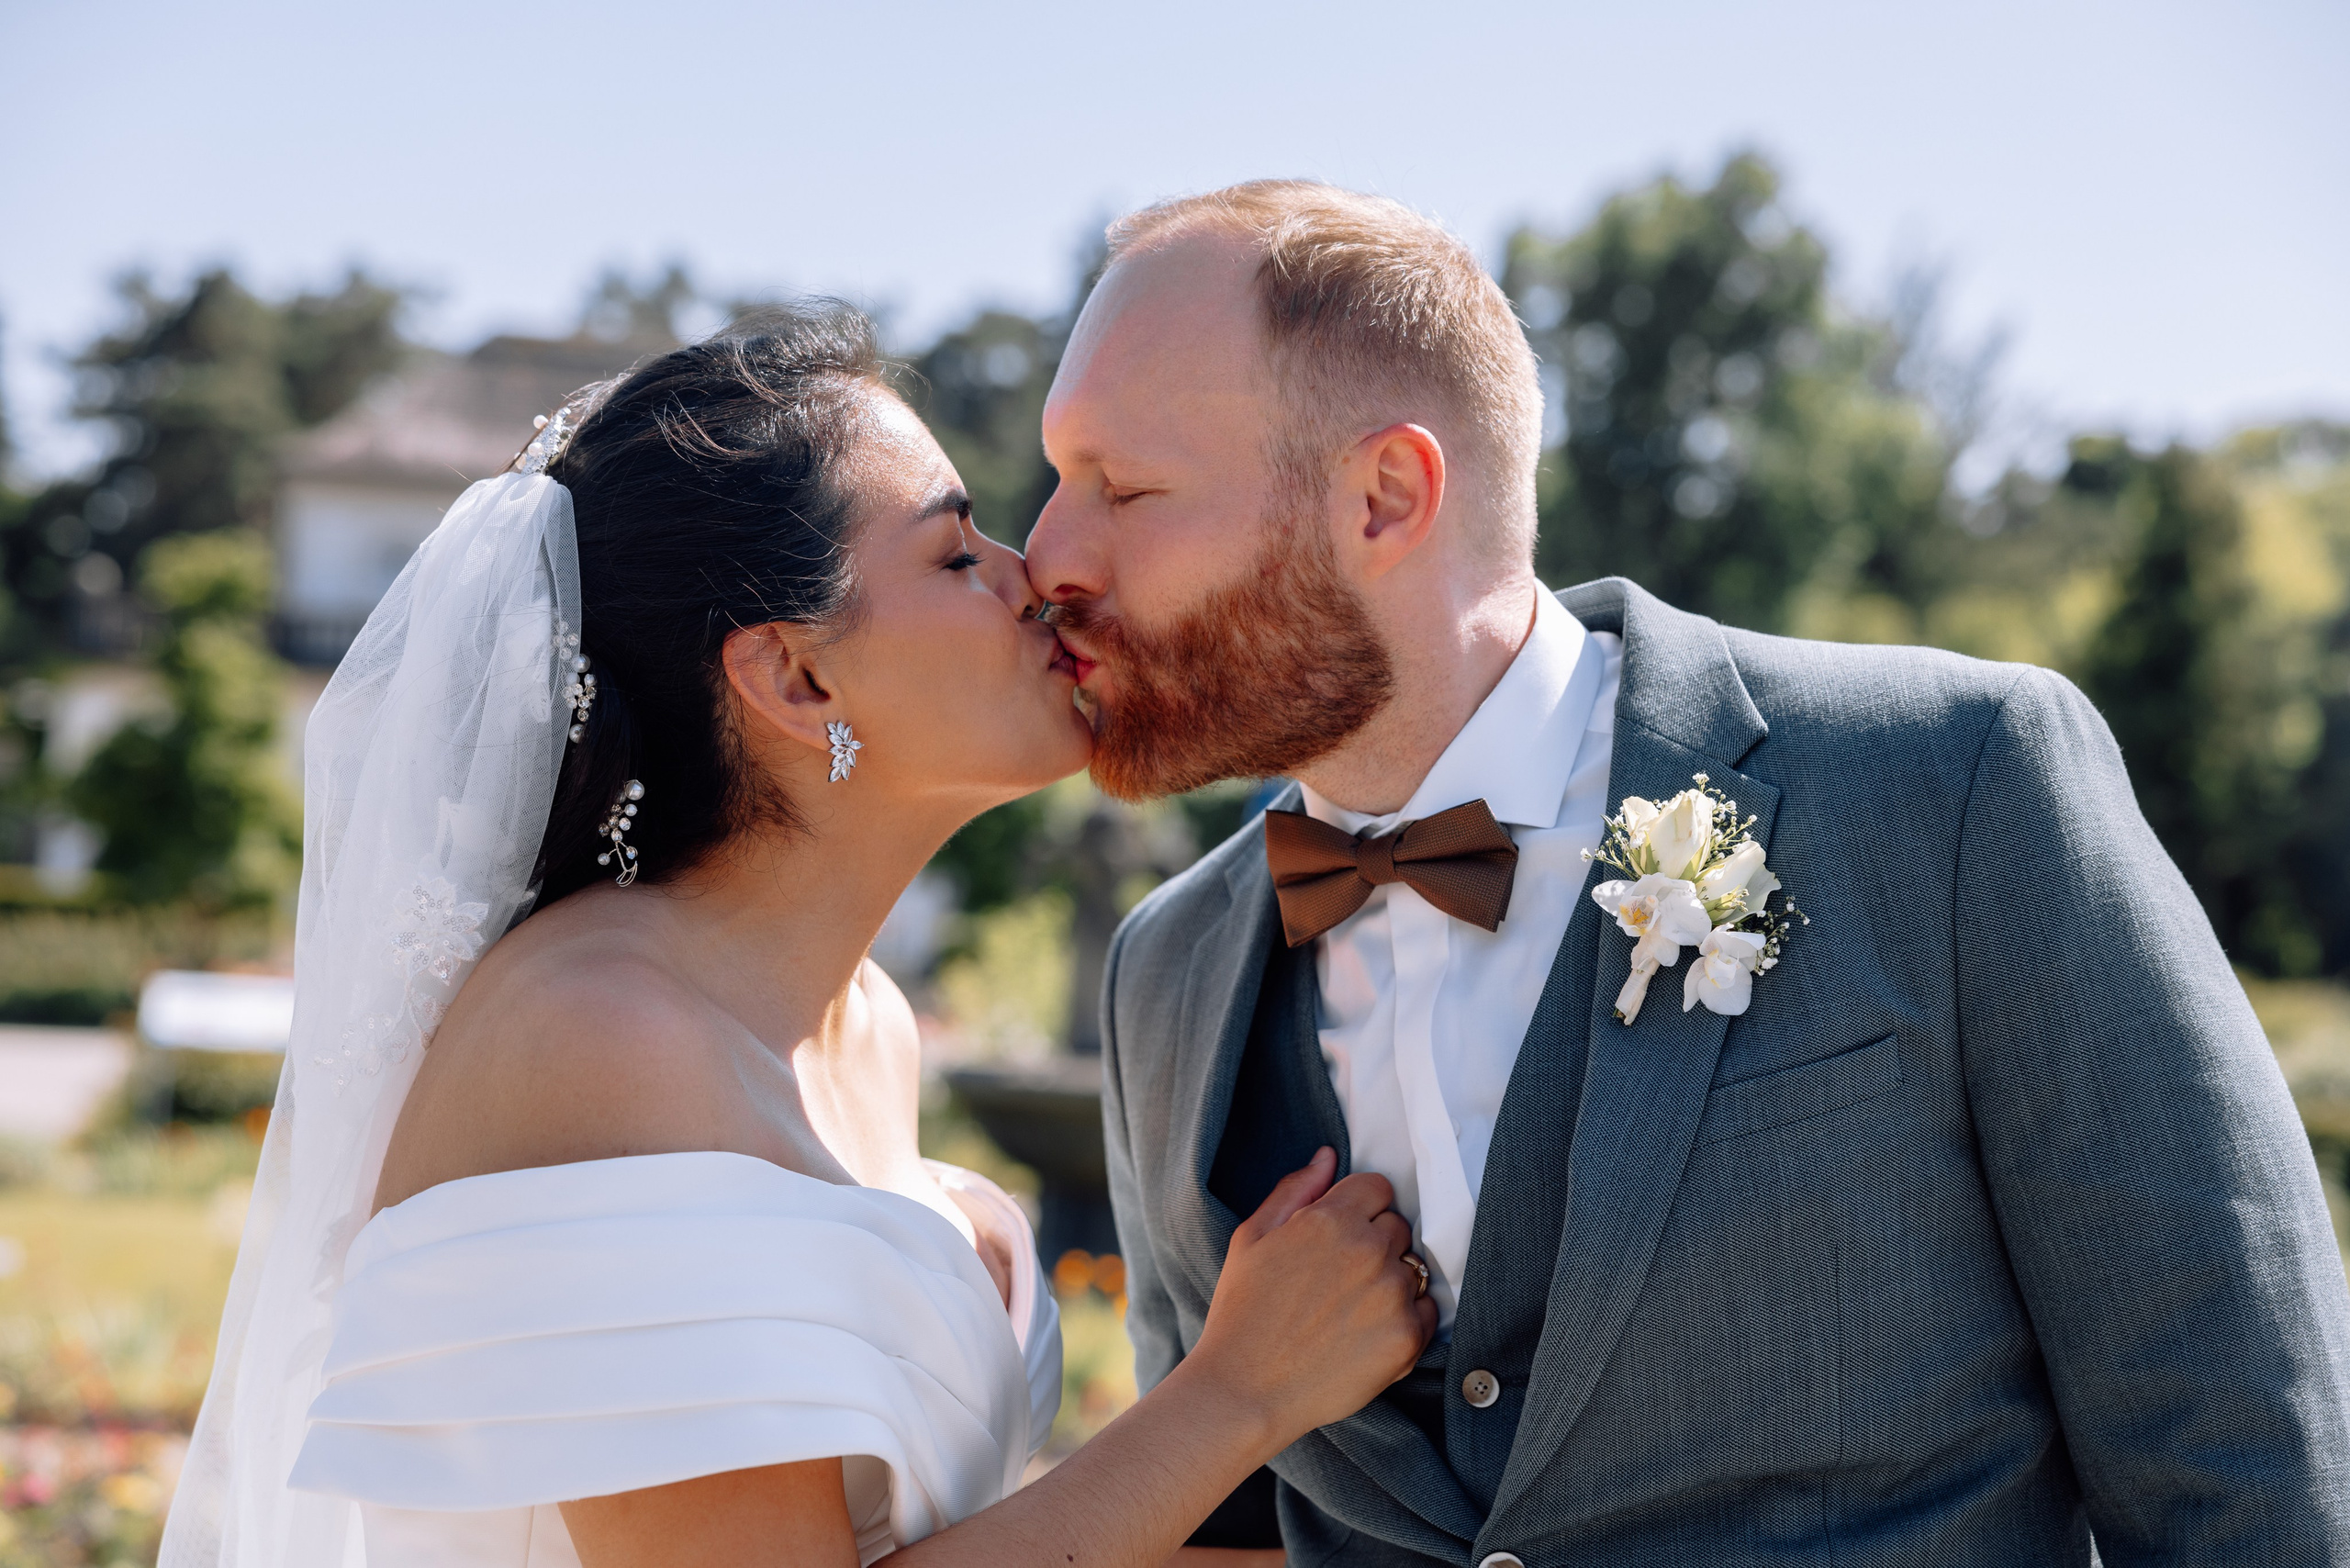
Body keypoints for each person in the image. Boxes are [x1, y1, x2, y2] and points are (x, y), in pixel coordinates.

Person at [1032, 180, 2350, 1566]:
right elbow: (1222, 1531)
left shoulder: (1953, 786)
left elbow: (2247, 1473)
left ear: (1386, 495)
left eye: (1123, 489)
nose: (1046, 554)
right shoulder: (1165, 970)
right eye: (1057, 482)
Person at [159, 307, 1435, 1568]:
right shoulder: (601, 1036)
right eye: (955, 556)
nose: (1036, 578)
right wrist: (1239, 1395)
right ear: (793, 677)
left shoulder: (863, 1020)